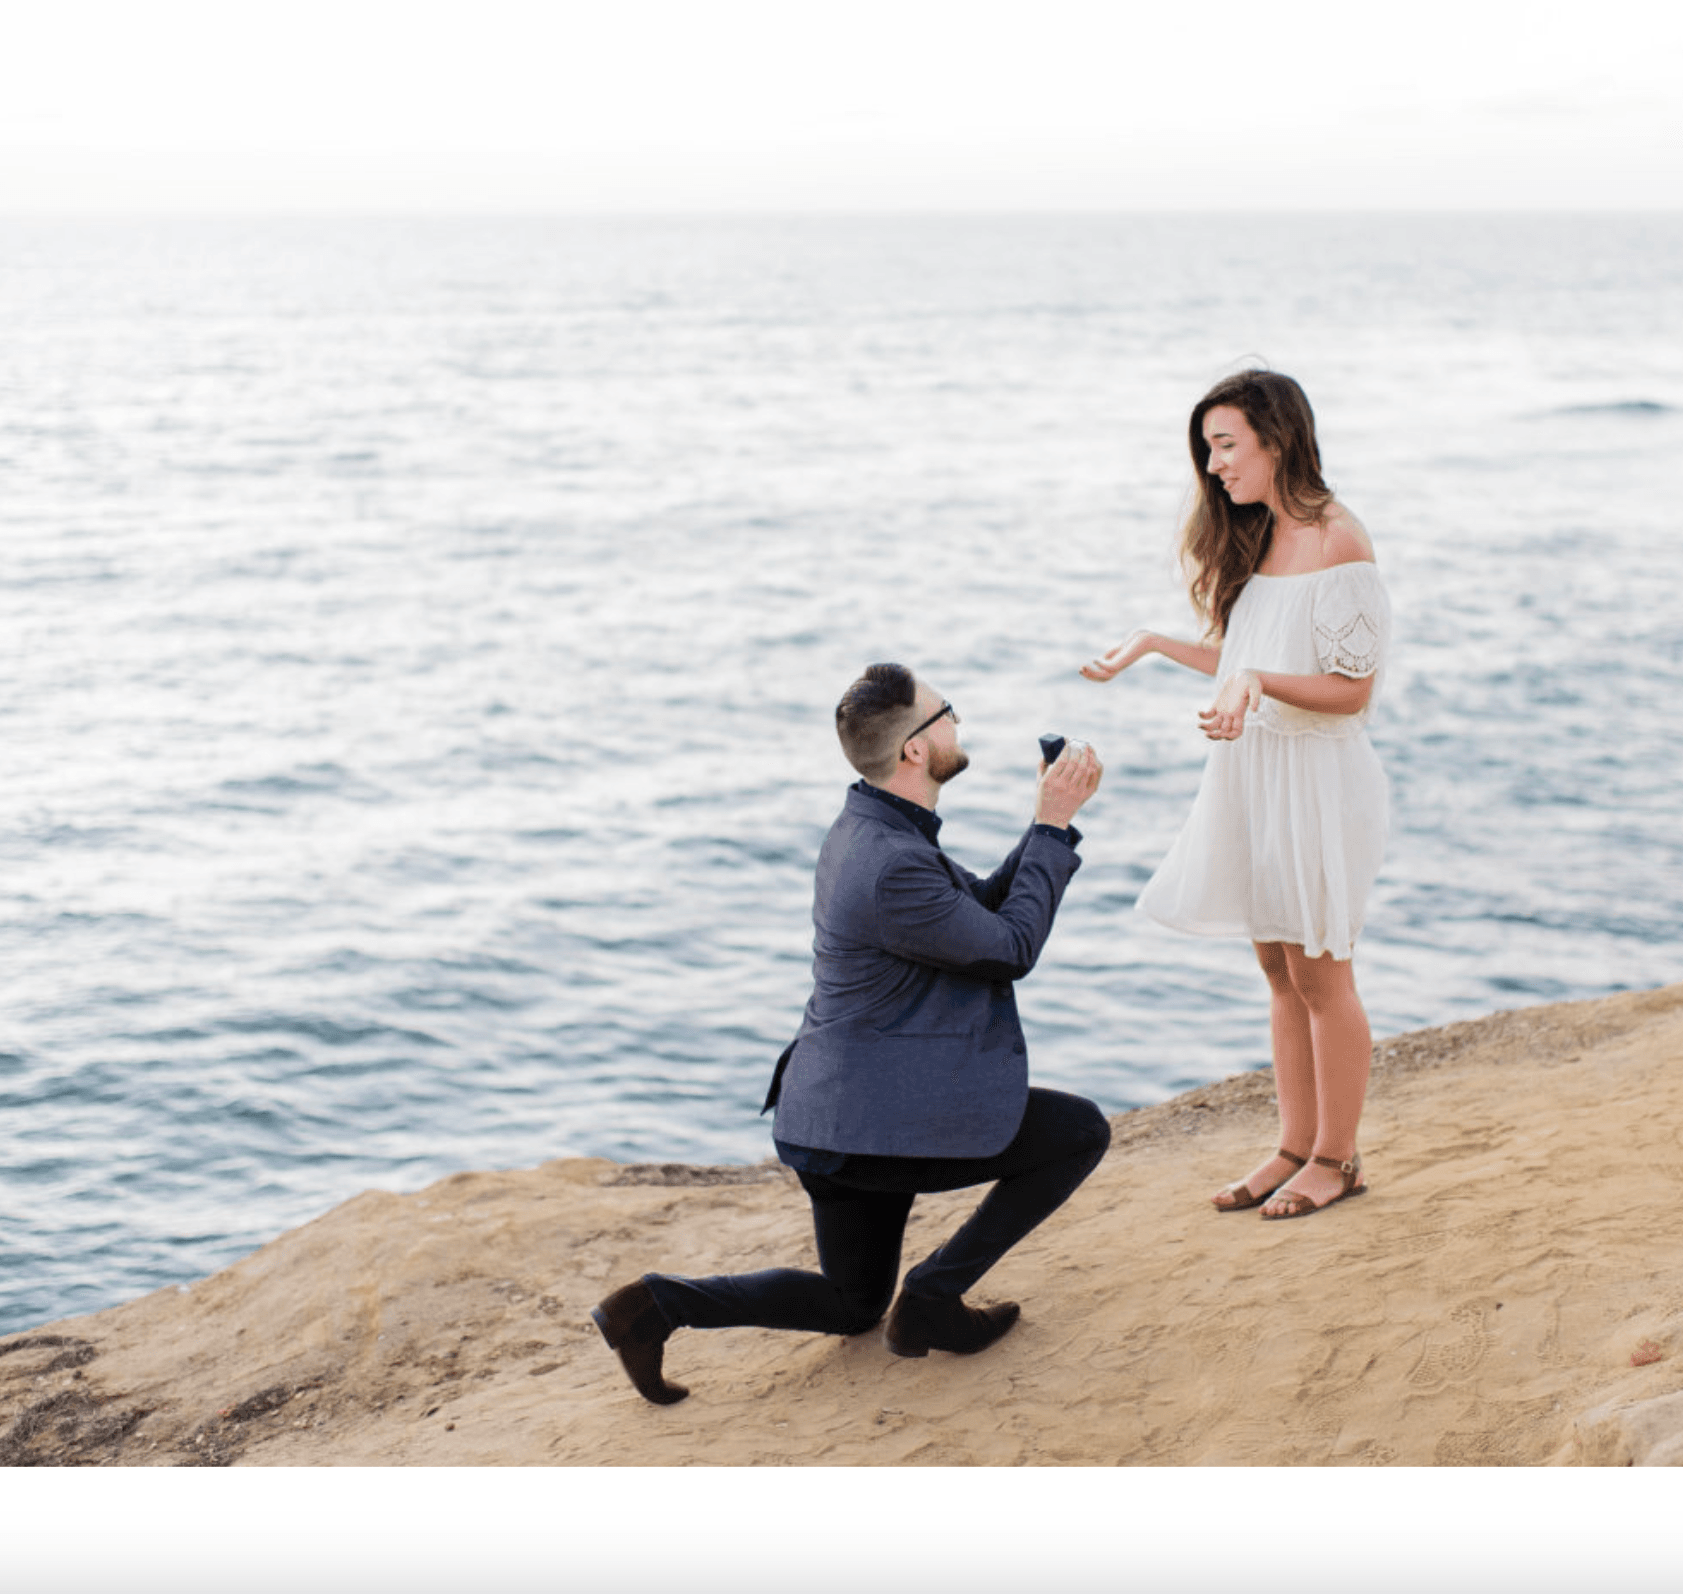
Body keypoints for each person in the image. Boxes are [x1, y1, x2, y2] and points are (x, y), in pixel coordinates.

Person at [590, 663, 1111, 1406]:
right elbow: (1008, 948)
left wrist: (1043, 825)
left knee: (853, 1303)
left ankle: (655, 1306)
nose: (958, 724)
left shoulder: (872, 827)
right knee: (1080, 1131)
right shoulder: (892, 862)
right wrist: (1055, 827)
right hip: (868, 1126)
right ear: (915, 752)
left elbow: (982, 916)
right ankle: (932, 1296)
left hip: (832, 1116)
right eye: (948, 714)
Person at [1081, 367, 1391, 1220]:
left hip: (1318, 779)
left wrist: (1256, 680)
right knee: (1278, 969)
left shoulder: (1339, 541)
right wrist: (1152, 642)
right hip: (1255, 772)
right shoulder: (1257, 538)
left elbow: (1349, 689)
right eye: (1207, 449)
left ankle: (1337, 1157)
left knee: (1323, 975)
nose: (1213, 466)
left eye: (1225, 445)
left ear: (1277, 439)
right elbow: (1243, 656)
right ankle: (1295, 1144)